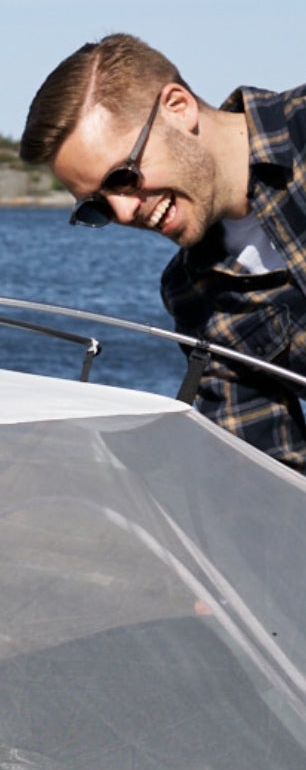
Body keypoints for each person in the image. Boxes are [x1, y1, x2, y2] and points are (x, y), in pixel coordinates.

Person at [22, 33, 306, 470]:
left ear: (178, 107)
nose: (122, 211)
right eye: (97, 206)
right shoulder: (193, 295)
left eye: (121, 177)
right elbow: (262, 477)